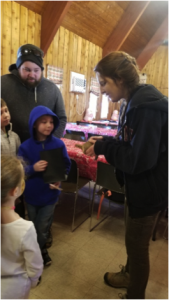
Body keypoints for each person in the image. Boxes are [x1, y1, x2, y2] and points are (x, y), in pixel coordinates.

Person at [86, 51, 169, 300]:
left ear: (120, 79)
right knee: (133, 244)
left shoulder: (146, 107)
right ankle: (129, 275)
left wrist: (103, 148)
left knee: (137, 247)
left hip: (149, 189)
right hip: (139, 187)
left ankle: (134, 296)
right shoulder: (132, 101)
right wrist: (106, 141)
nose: (101, 90)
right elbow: (129, 141)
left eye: (104, 83)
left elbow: (138, 160)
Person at [18, 105, 71, 266]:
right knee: (34, 226)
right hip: (32, 195)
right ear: (34, 124)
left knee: (42, 228)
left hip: (50, 195)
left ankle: (34, 258)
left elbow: (66, 166)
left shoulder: (58, 145)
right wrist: (33, 168)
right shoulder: (25, 147)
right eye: (44, 122)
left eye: (51, 122)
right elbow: (20, 172)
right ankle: (40, 251)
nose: (49, 125)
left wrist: (60, 179)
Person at [0, 43, 67, 143]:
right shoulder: (3, 84)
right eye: (27, 70)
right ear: (18, 67)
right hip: (8, 150)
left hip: (43, 148)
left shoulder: (52, 89)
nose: (32, 74)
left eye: (36, 70)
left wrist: (52, 141)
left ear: (41, 70)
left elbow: (61, 118)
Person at [0, 154, 43, 300]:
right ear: (14, 191)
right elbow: (35, 265)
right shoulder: (25, 229)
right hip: (15, 290)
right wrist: (33, 281)